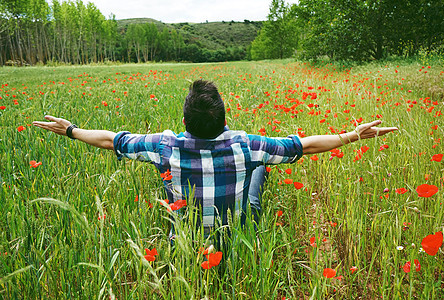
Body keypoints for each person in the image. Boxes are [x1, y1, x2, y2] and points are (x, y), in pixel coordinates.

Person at [33, 79, 398, 236]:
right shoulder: (244, 144)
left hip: (187, 236)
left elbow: (112, 140)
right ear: (225, 119)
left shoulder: (165, 145)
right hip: (238, 229)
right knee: (259, 170)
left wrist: (70, 129)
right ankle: (258, 174)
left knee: (168, 174)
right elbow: (304, 145)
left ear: (183, 121)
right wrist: (353, 135)